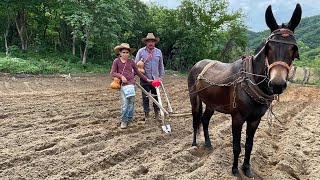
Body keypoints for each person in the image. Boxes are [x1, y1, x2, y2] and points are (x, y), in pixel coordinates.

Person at [110, 43, 152, 129]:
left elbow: (138, 72)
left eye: (127, 52)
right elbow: (112, 73)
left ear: (129, 53)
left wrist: (147, 79)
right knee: (125, 104)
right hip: (123, 86)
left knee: (131, 104)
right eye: (123, 52)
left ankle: (130, 120)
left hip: (131, 85)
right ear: (120, 53)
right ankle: (124, 121)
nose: (125, 54)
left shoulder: (131, 62)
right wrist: (121, 76)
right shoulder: (116, 61)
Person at [135, 33, 165, 121]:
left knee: (156, 96)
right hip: (144, 78)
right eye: (149, 41)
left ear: (155, 42)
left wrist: (161, 77)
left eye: (152, 41)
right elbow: (136, 64)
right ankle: (147, 115)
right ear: (146, 43)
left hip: (155, 79)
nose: (150, 43)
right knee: (145, 97)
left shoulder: (158, 52)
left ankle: (157, 114)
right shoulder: (141, 52)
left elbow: (161, 65)